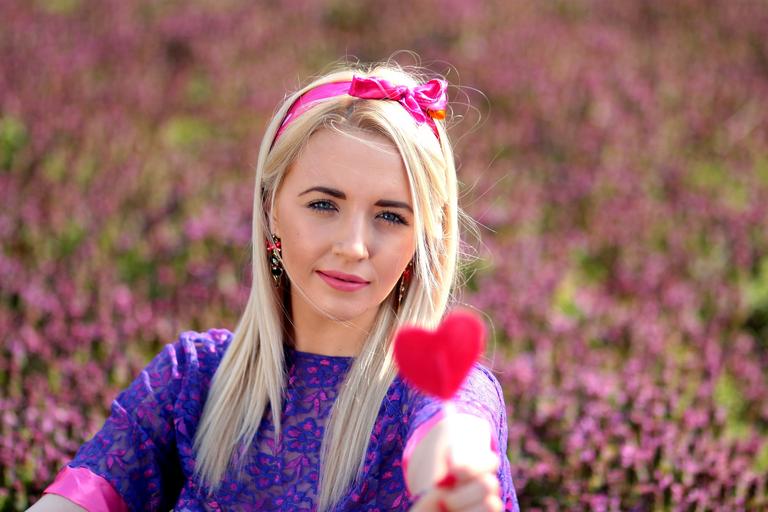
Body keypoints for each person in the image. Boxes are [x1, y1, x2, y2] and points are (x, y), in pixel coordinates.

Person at [29, 61, 519, 511]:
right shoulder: (190, 381)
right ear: (271, 211)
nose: (354, 246)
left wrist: (450, 472)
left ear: (422, 239)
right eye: (324, 205)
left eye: (390, 216)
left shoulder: (438, 388)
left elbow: (454, 429)